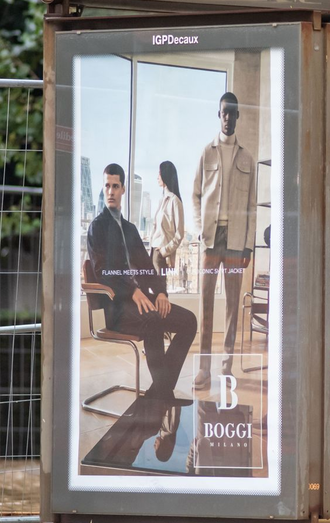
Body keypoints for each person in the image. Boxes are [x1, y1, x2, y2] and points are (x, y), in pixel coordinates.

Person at [87, 163, 197, 399]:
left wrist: (160, 292)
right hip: (117, 307)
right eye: (107, 186)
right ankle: (163, 395)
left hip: (141, 300)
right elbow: (103, 272)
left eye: (115, 186)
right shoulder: (97, 227)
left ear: (123, 189)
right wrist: (132, 292)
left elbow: (147, 267)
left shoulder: (130, 229)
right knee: (153, 320)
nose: (110, 191)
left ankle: (159, 391)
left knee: (189, 321)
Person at [192, 92, 257, 388]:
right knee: (206, 304)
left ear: (238, 115)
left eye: (233, 112)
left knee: (232, 305)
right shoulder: (206, 152)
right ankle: (204, 369)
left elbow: (252, 206)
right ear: (219, 115)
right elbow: (195, 195)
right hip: (210, 239)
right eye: (224, 113)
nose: (228, 118)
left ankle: (226, 367)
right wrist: (199, 229)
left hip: (235, 241)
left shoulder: (248, 158)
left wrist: (248, 246)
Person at [150, 160, 185, 277]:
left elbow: (179, 234)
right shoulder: (161, 200)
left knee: (159, 287)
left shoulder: (175, 201)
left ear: (165, 175)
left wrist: (164, 251)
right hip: (153, 252)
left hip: (162, 255)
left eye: (159, 174)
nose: (157, 177)